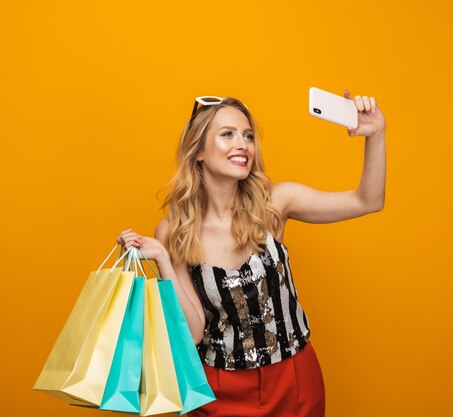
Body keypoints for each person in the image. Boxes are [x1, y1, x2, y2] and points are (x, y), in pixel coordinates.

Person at [116, 91, 386, 417]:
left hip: (294, 378)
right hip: (219, 389)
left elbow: (367, 201)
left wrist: (376, 134)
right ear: (198, 150)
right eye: (227, 134)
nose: (242, 144)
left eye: (248, 136)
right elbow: (195, 331)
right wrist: (163, 261)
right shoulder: (175, 230)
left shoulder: (275, 204)